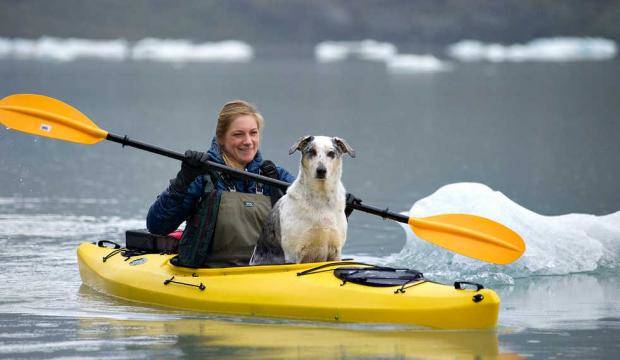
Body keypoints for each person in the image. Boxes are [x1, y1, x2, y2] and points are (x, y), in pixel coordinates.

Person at [147, 100, 295, 267]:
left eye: (253, 133)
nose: (248, 141)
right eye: (238, 134)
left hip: (268, 275)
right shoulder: (202, 176)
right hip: (210, 275)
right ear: (221, 138)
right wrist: (183, 180)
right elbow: (156, 225)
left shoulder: (273, 175)